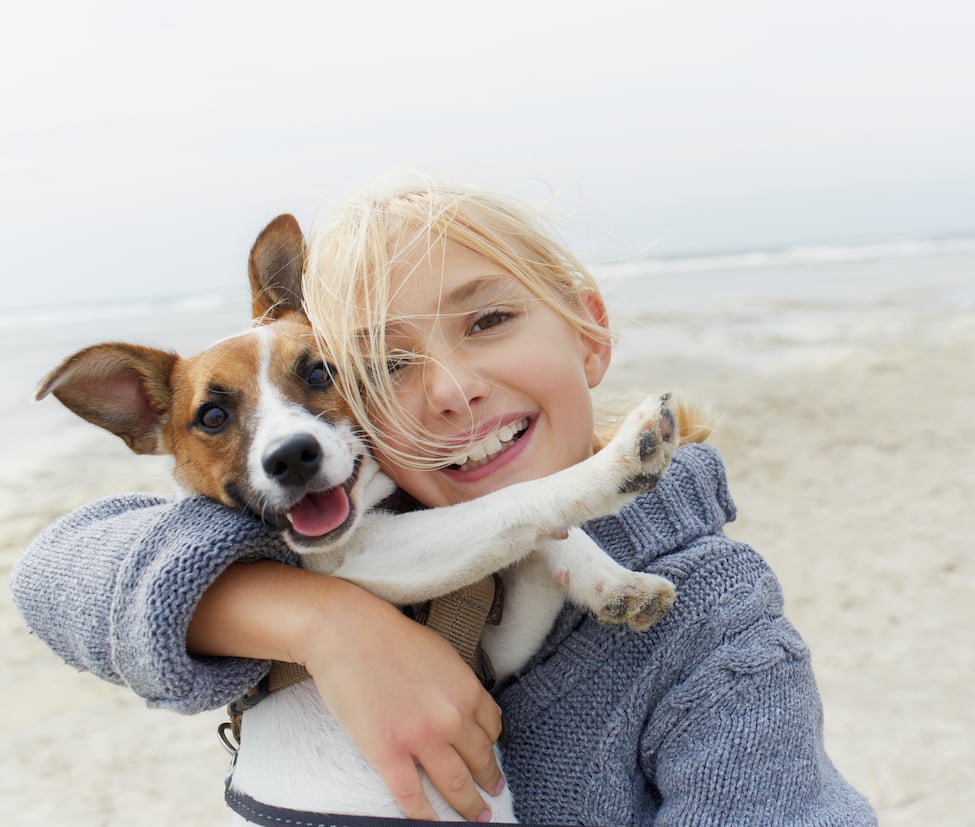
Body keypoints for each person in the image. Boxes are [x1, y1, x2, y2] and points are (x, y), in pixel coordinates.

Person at [11, 178, 877, 826]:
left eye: (489, 319)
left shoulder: (720, 625)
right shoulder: (267, 534)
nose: (454, 390)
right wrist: (321, 625)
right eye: (385, 364)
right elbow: (52, 572)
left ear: (590, 333)